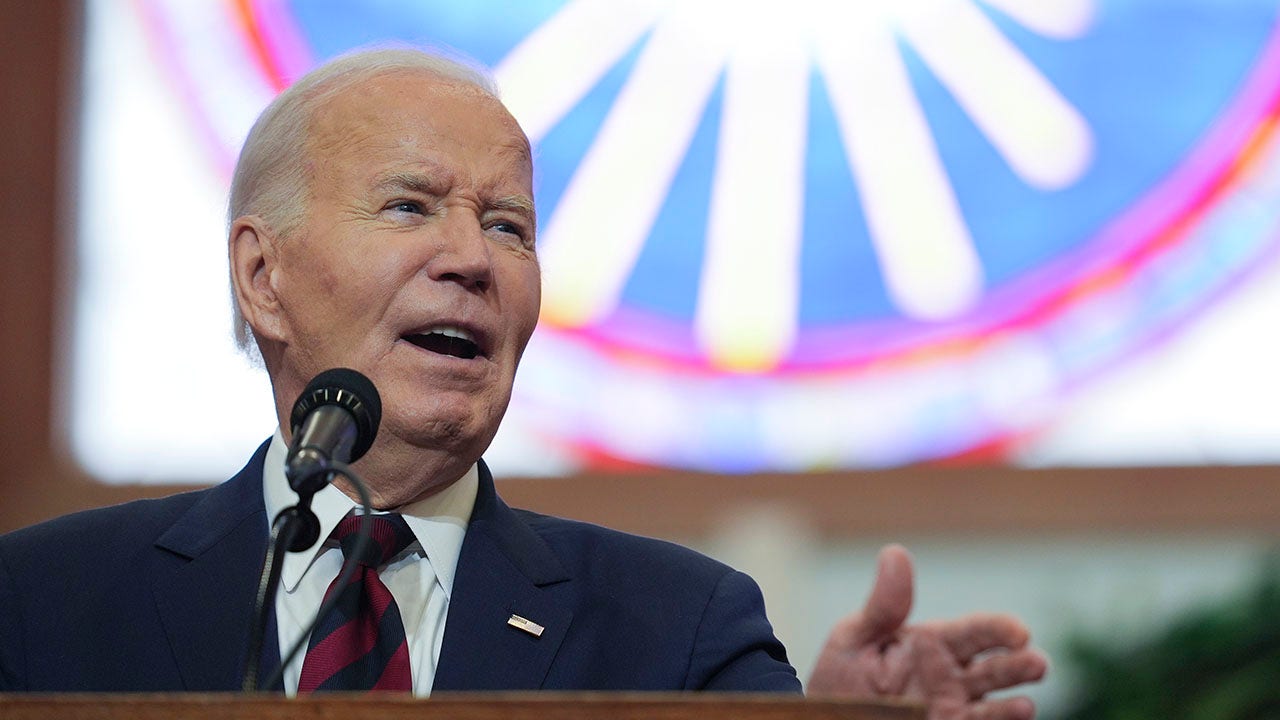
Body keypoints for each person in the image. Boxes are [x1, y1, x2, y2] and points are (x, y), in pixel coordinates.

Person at [0, 48, 1045, 716]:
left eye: (508, 225)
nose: (473, 258)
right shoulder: (40, 606)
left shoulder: (681, 629)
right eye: (411, 207)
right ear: (262, 275)